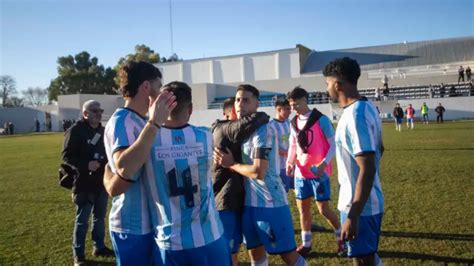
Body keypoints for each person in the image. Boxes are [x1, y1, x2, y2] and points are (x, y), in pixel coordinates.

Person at [214, 84, 307, 266]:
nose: (240, 104)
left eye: (246, 100)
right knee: (256, 255)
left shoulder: (264, 130)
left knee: (288, 255)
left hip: (271, 202)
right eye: (238, 100)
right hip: (249, 205)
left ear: (257, 104)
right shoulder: (240, 130)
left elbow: (259, 171)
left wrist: (231, 164)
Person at [103, 61, 170, 265]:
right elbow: (124, 167)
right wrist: (155, 123)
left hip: (153, 223)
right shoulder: (122, 120)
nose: (160, 92)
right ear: (146, 87)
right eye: (158, 86)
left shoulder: (141, 120)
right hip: (132, 226)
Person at [323, 57, 384, 266]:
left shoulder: (355, 115)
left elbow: (367, 167)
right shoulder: (367, 107)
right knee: (366, 256)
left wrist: (353, 215)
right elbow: (380, 149)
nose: (327, 88)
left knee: (362, 259)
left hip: (360, 207)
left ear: (338, 84)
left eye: (327, 83)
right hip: (361, 202)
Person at [286, 87, 344, 257]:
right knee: (302, 209)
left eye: (296, 104)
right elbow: (293, 144)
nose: (294, 108)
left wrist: (323, 163)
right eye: (291, 105)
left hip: (318, 173)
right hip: (300, 173)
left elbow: (334, 145)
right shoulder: (293, 122)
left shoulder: (321, 120)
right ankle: (306, 244)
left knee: (323, 209)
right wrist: (290, 162)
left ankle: (342, 239)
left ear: (305, 100)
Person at [211, 97, 269, 266]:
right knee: (230, 250)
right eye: (238, 105)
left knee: (254, 245)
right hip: (226, 201)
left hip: (245, 199)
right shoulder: (222, 128)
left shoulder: (242, 134)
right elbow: (255, 119)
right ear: (231, 113)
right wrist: (260, 112)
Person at [62, 100, 113, 265]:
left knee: (99, 217)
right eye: (94, 110)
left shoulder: (103, 130)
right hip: (83, 182)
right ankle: (79, 255)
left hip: (101, 182)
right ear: (85, 113)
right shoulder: (75, 130)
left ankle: (99, 246)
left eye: (100, 110)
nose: (99, 113)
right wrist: (86, 164)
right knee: (82, 220)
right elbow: (66, 156)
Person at [269, 99, 293, 192]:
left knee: (299, 193)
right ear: (279, 109)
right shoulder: (270, 126)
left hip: (292, 164)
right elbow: (271, 147)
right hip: (279, 167)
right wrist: (289, 154)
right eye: (287, 109)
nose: (290, 112)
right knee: (283, 192)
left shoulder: (289, 123)